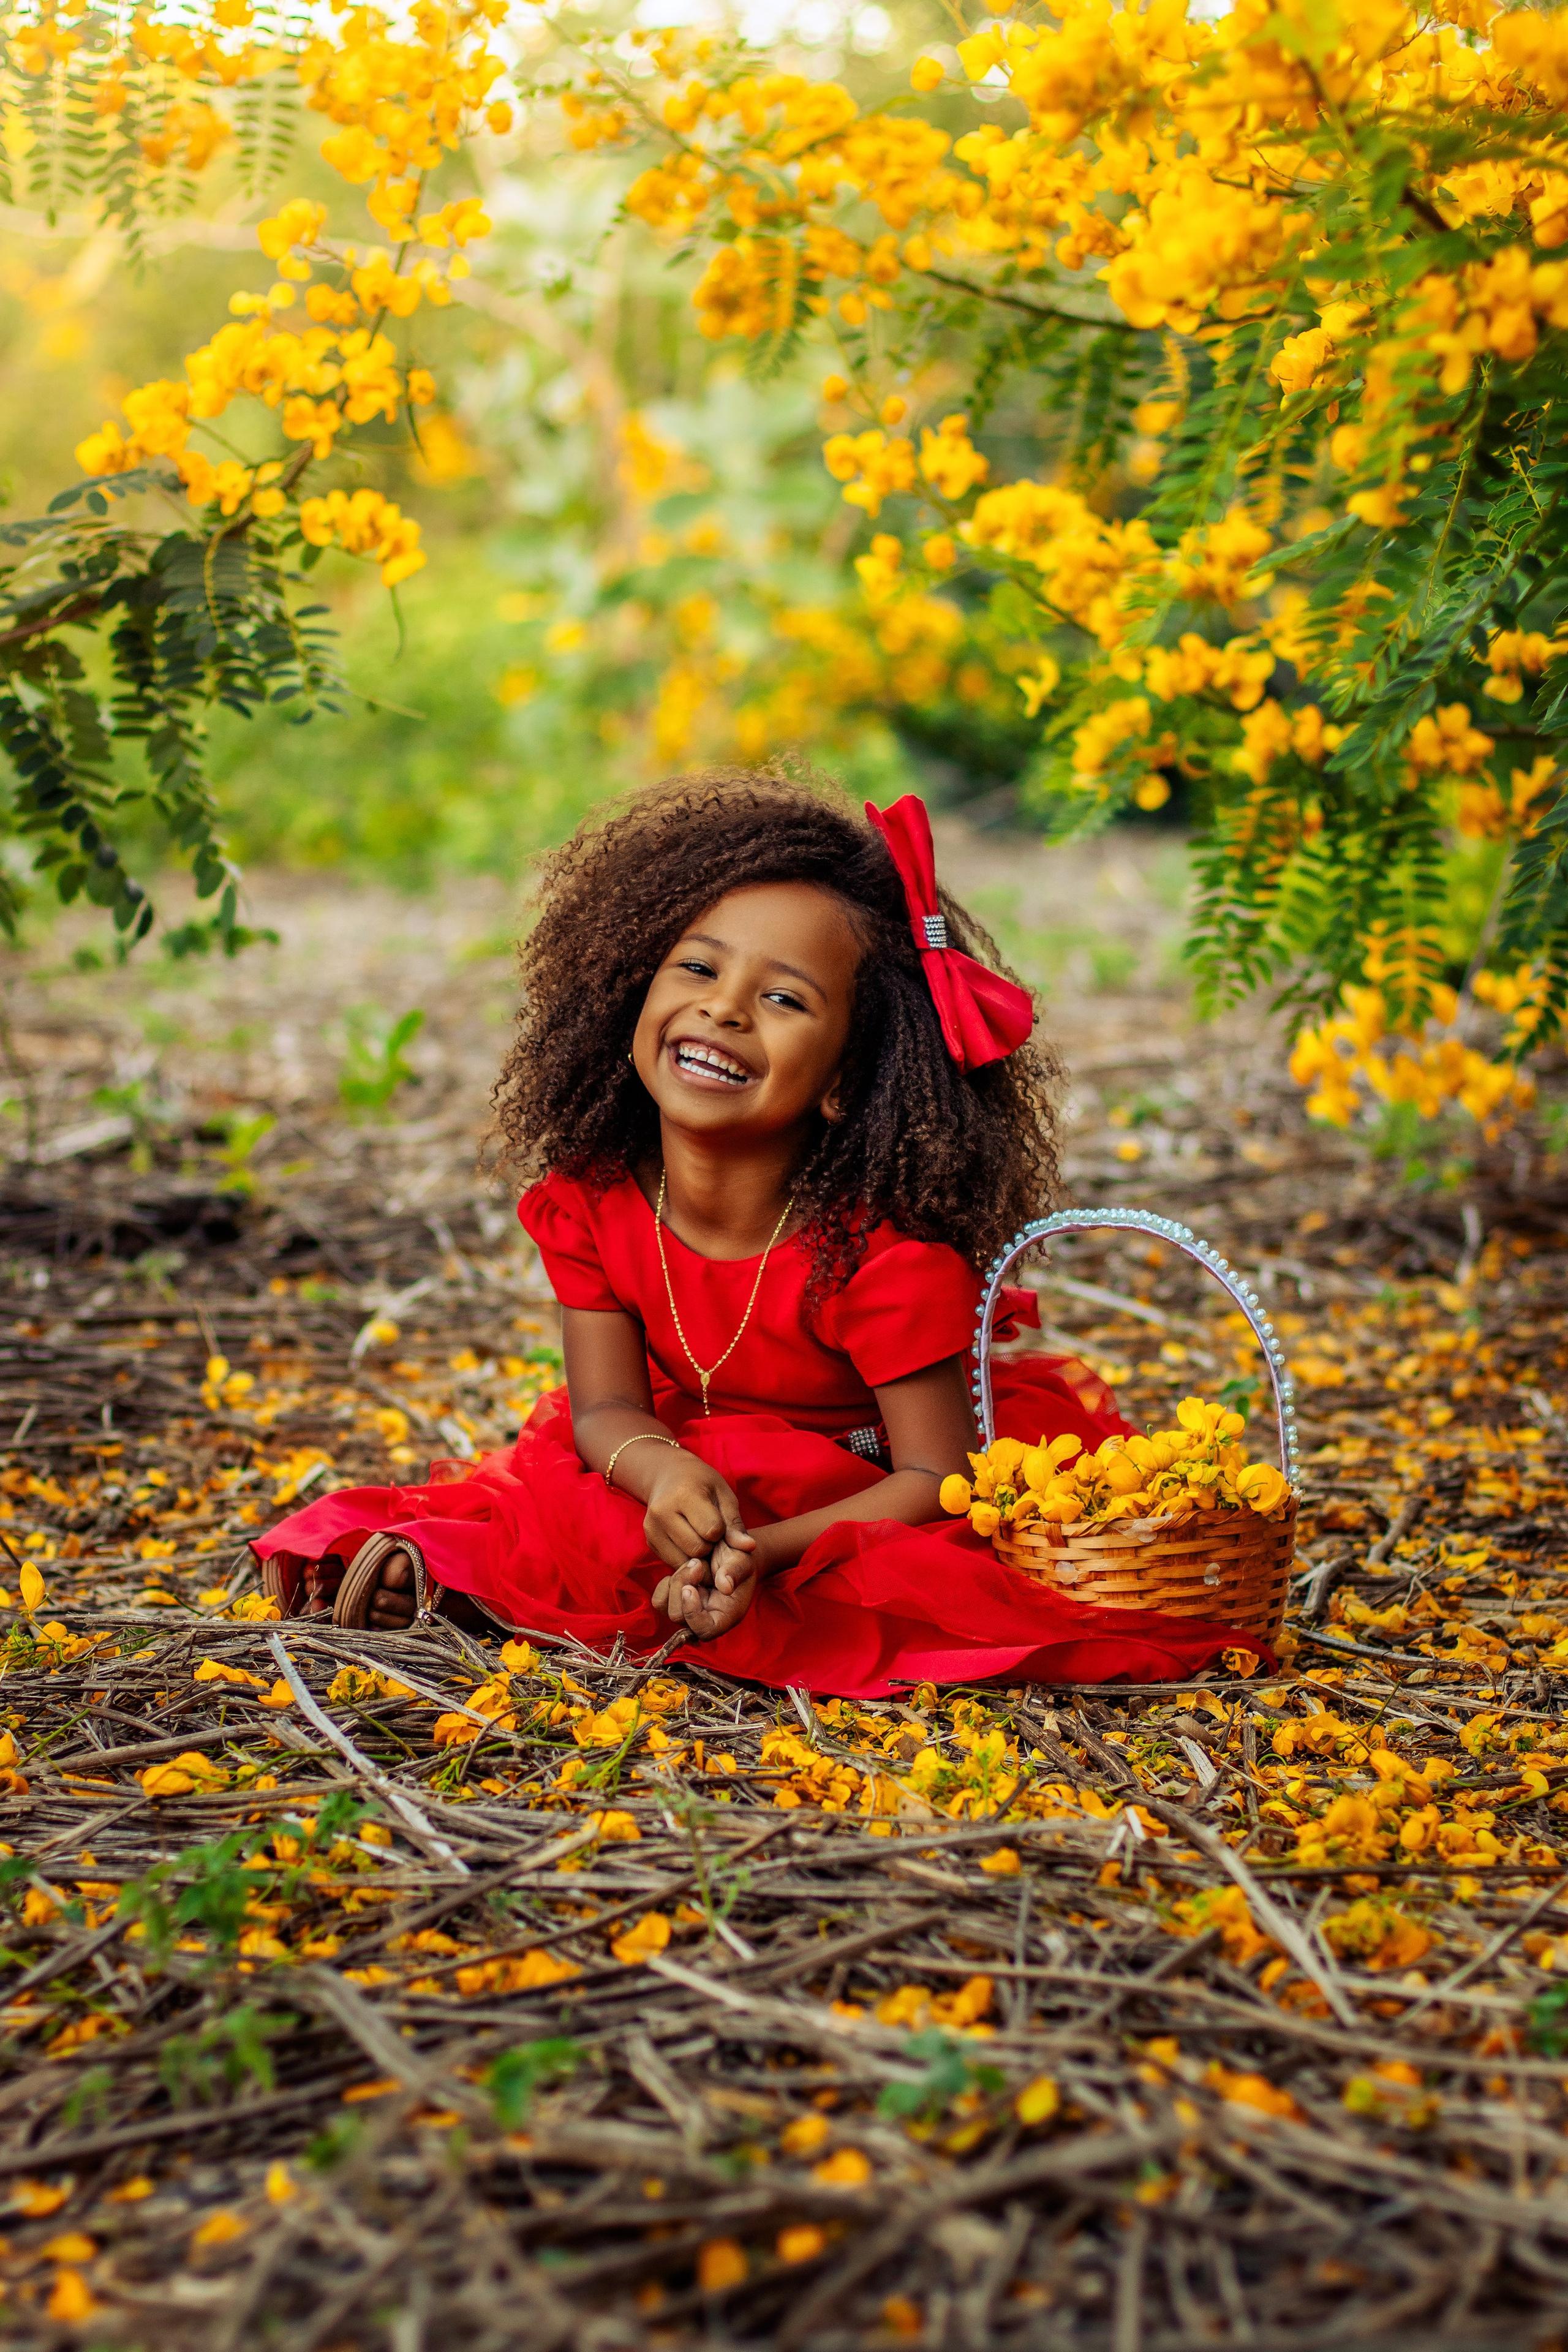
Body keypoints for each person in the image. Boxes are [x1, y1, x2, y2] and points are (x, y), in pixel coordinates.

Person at [252, 771, 1260, 1697]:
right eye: (697, 967)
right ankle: (473, 1590)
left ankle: (550, 1597)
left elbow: (937, 1481)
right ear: (631, 993)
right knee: (579, 1509)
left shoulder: (880, 1256)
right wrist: (661, 1472)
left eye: (785, 999)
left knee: (861, 1587)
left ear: (840, 1085)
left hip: (857, 1497)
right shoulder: (593, 1202)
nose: (724, 1009)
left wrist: (763, 1550)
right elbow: (604, 1409)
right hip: (671, 1454)